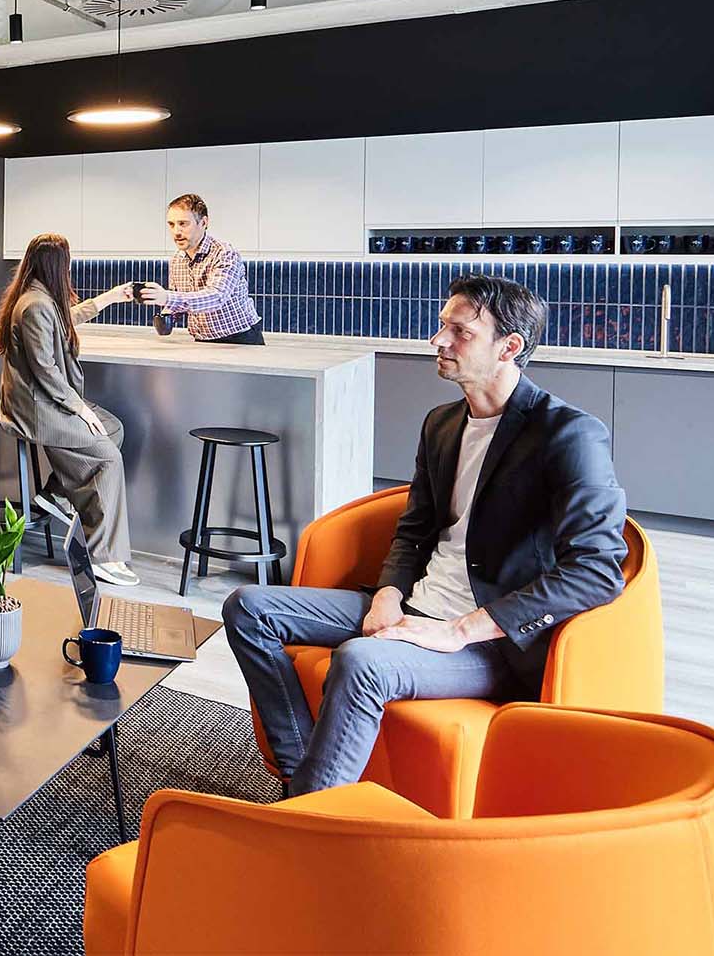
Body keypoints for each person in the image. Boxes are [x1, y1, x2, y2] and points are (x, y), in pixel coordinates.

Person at [221, 275, 628, 796]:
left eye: (459, 332)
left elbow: (596, 570)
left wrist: (459, 630)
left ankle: (307, 819)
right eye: (442, 326)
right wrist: (388, 596)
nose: (438, 341)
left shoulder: (567, 433)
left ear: (510, 347)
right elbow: (414, 529)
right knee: (248, 608)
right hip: (415, 603)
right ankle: (303, 772)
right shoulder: (441, 423)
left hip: (487, 641)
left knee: (360, 661)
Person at [0, 233, 144, 587]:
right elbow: (45, 369)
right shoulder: (34, 305)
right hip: (35, 408)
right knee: (108, 456)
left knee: (114, 428)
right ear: (57, 266)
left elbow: (66, 320)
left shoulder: (39, 298)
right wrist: (79, 407)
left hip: (46, 400)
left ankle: (56, 493)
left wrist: (107, 299)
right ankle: (104, 555)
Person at [137, 193, 264, 344]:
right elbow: (179, 297)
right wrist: (167, 314)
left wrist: (167, 297)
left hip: (240, 338)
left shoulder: (224, 253)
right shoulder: (177, 259)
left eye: (183, 224)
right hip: (201, 339)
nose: (176, 232)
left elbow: (216, 296)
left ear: (203, 223)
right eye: (171, 224)